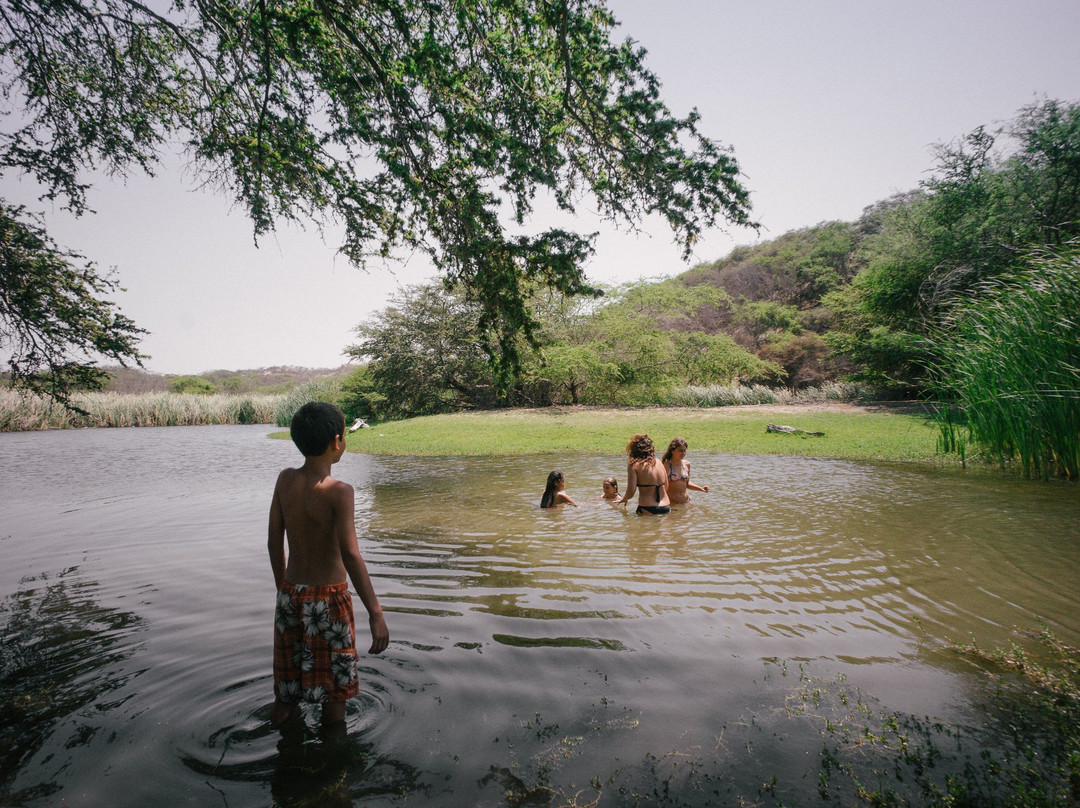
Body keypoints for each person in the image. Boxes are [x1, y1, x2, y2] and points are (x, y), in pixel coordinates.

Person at [268, 401, 390, 731]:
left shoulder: (284, 480)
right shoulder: (340, 492)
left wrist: (284, 590)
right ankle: (332, 771)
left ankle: (286, 753)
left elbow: (273, 542)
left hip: (290, 596)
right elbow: (350, 555)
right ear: (337, 442)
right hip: (330, 602)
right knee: (336, 697)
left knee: (286, 693)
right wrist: (375, 612)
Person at [613, 433, 671, 515]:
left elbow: (631, 491)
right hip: (666, 507)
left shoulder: (634, 465)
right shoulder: (659, 462)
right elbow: (666, 487)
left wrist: (625, 498)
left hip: (647, 508)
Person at [662, 437, 710, 505]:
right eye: (680, 450)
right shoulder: (665, 466)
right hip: (671, 505)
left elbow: (686, 484)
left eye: (685, 450)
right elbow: (660, 488)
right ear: (672, 450)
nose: (683, 453)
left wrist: (701, 488)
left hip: (686, 503)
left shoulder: (687, 464)